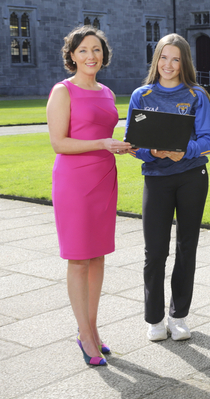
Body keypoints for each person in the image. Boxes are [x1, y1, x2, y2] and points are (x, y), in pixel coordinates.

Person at [47, 26, 132, 366]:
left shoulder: (108, 93)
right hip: (74, 181)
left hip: (103, 177)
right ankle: (84, 334)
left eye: (96, 50)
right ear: (72, 55)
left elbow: (106, 134)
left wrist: (123, 146)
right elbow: (59, 143)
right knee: (79, 258)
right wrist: (102, 144)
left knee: (97, 257)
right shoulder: (62, 91)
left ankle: (92, 330)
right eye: (83, 50)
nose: (91, 56)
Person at [125, 33, 210, 341]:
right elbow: (131, 143)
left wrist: (184, 151)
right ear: (157, 60)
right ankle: (153, 319)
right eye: (164, 57)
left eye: (175, 59)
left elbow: (208, 140)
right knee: (155, 252)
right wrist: (149, 151)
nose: (168, 64)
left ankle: (178, 317)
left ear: (183, 62)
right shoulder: (142, 95)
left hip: (191, 177)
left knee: (186, 249)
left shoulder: (196, 95)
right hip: (156, 179)